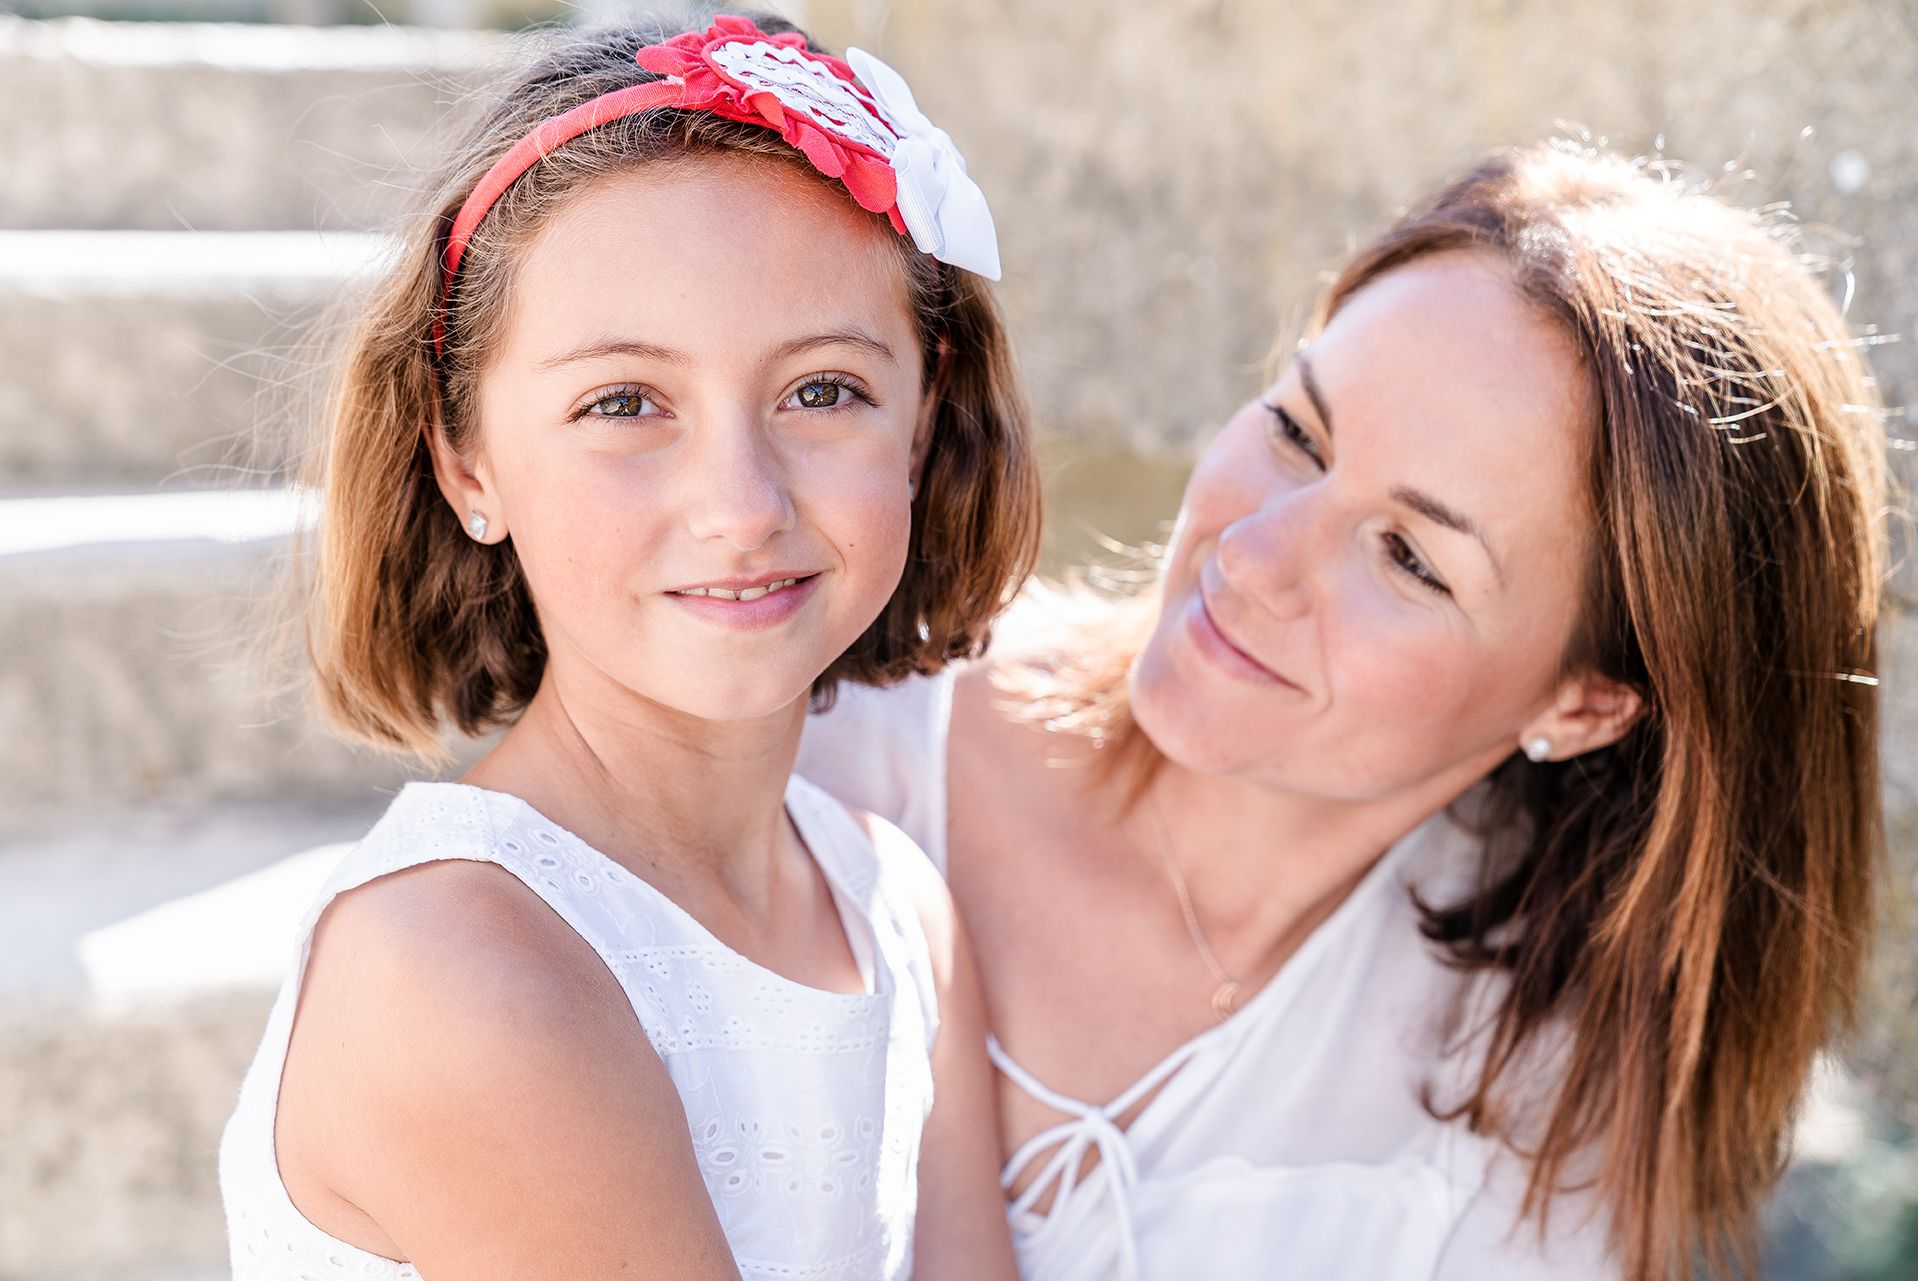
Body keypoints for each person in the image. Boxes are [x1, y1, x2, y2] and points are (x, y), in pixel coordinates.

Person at [800, 141, 1890, 1281]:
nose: (1257, 554)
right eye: (1297, 433)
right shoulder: (821, 734)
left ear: (1585, 705)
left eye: (1411, 559)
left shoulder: (1527, 1134)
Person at [219, 16, 1039, 1280]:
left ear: (921, 427)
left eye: (822, 389)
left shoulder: (900, 913)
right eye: (623, 403)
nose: (742, 503)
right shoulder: (457, 968)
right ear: (466, 461)